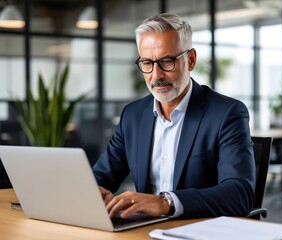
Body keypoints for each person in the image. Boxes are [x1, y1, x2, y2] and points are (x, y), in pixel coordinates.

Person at [92, 13, 255, 219]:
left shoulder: (226, 114)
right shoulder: (133, 116)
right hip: (143, 230)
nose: (156, 75)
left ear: (191, 59)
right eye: (147, 63)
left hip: (197, 231)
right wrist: (94, 190)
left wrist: (166, 202)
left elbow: (240, 195)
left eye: (167, 61)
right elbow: (101, 175)